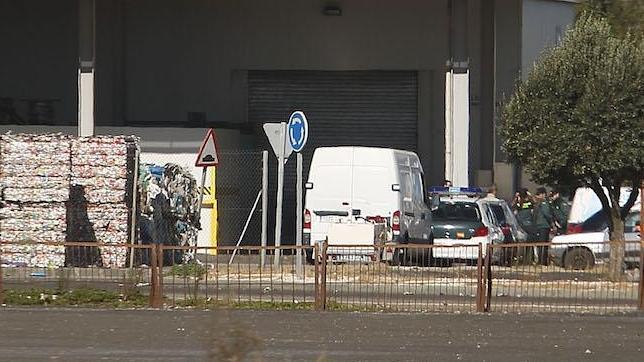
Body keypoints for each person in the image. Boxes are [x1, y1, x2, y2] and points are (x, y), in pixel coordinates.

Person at [532, 187, 555, 265]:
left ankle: (541, 260)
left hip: (539, 225)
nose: (537, 196)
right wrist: (552, 223)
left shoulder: (538, 203)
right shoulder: (544, 203)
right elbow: (547, 214)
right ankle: (543, 261)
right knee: (543, 244)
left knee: (541, 244)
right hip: (544, 226)